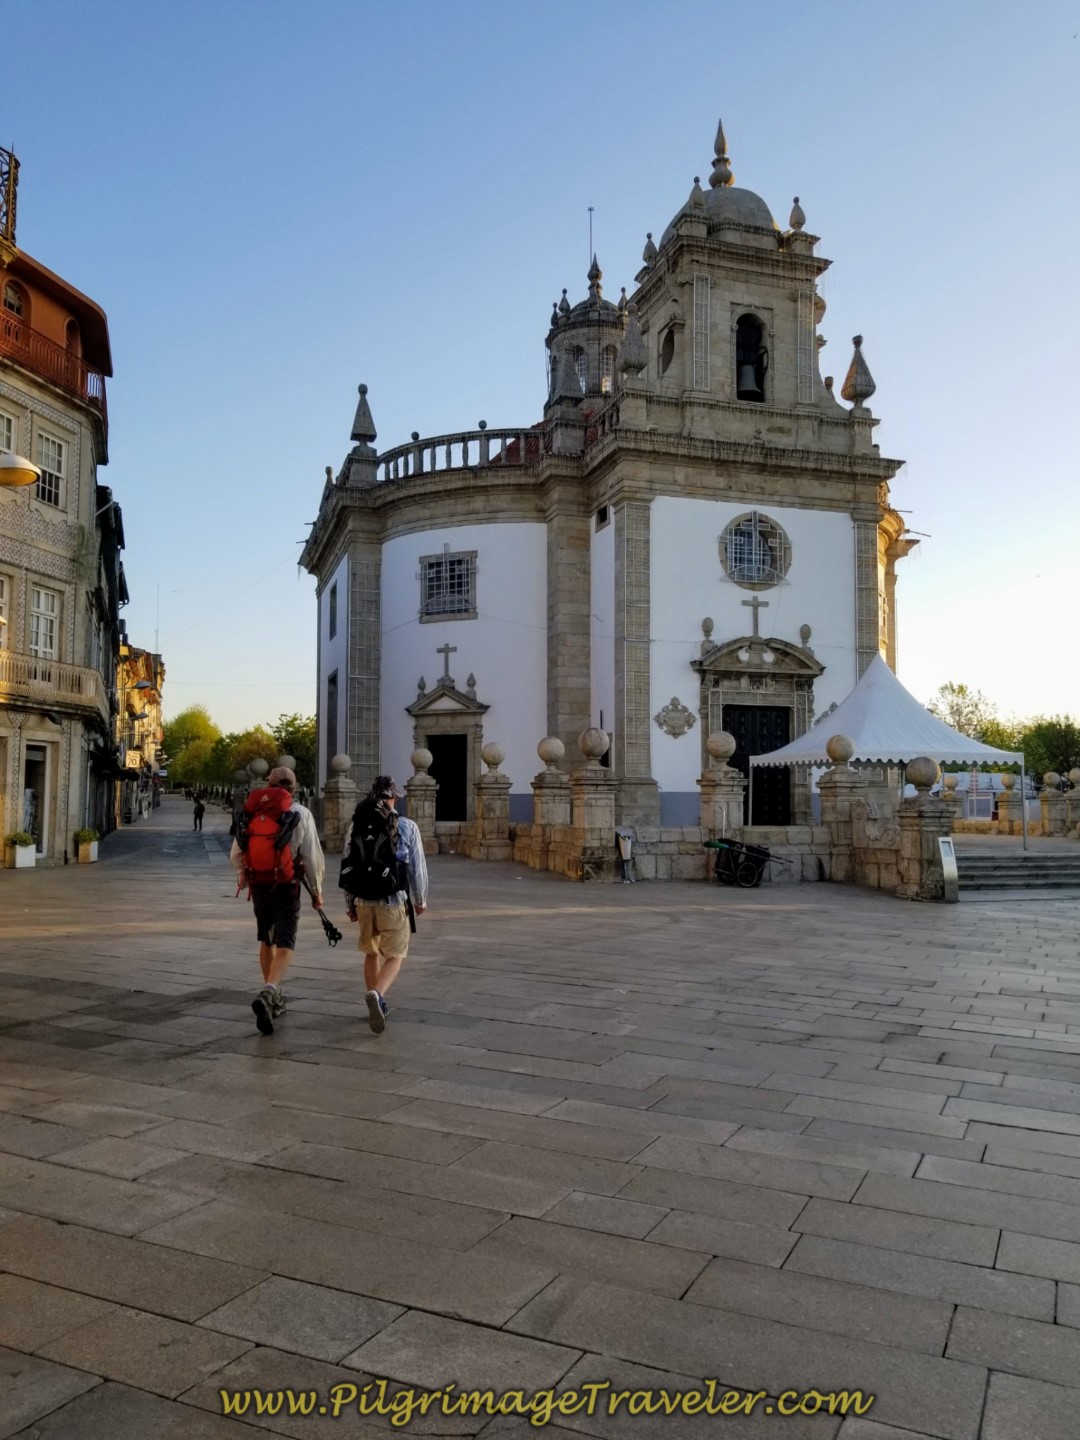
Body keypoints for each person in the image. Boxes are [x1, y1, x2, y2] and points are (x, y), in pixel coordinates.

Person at [230, 765, 325, 1036]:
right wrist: (317, 892)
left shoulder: (252, 812)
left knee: (266, 939)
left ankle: (273, 996)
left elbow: (236, 853)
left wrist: (244, 877)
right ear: (293, 789)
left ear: (269, 785)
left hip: (259, 885)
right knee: (286, 941)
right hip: (286, 885)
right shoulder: (300, 813)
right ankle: (270, 991)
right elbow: (311, 857)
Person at [341, 775, 428, 1034]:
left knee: (371, 953)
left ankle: (376, 997)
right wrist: (420, 899)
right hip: (393, 900)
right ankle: (377, 995)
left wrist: (350, 904)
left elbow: (349, 865)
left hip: (364, 901)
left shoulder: (355, 825)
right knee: (395, 956)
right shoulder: (407, 826)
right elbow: (416, 867)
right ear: (394, 798)